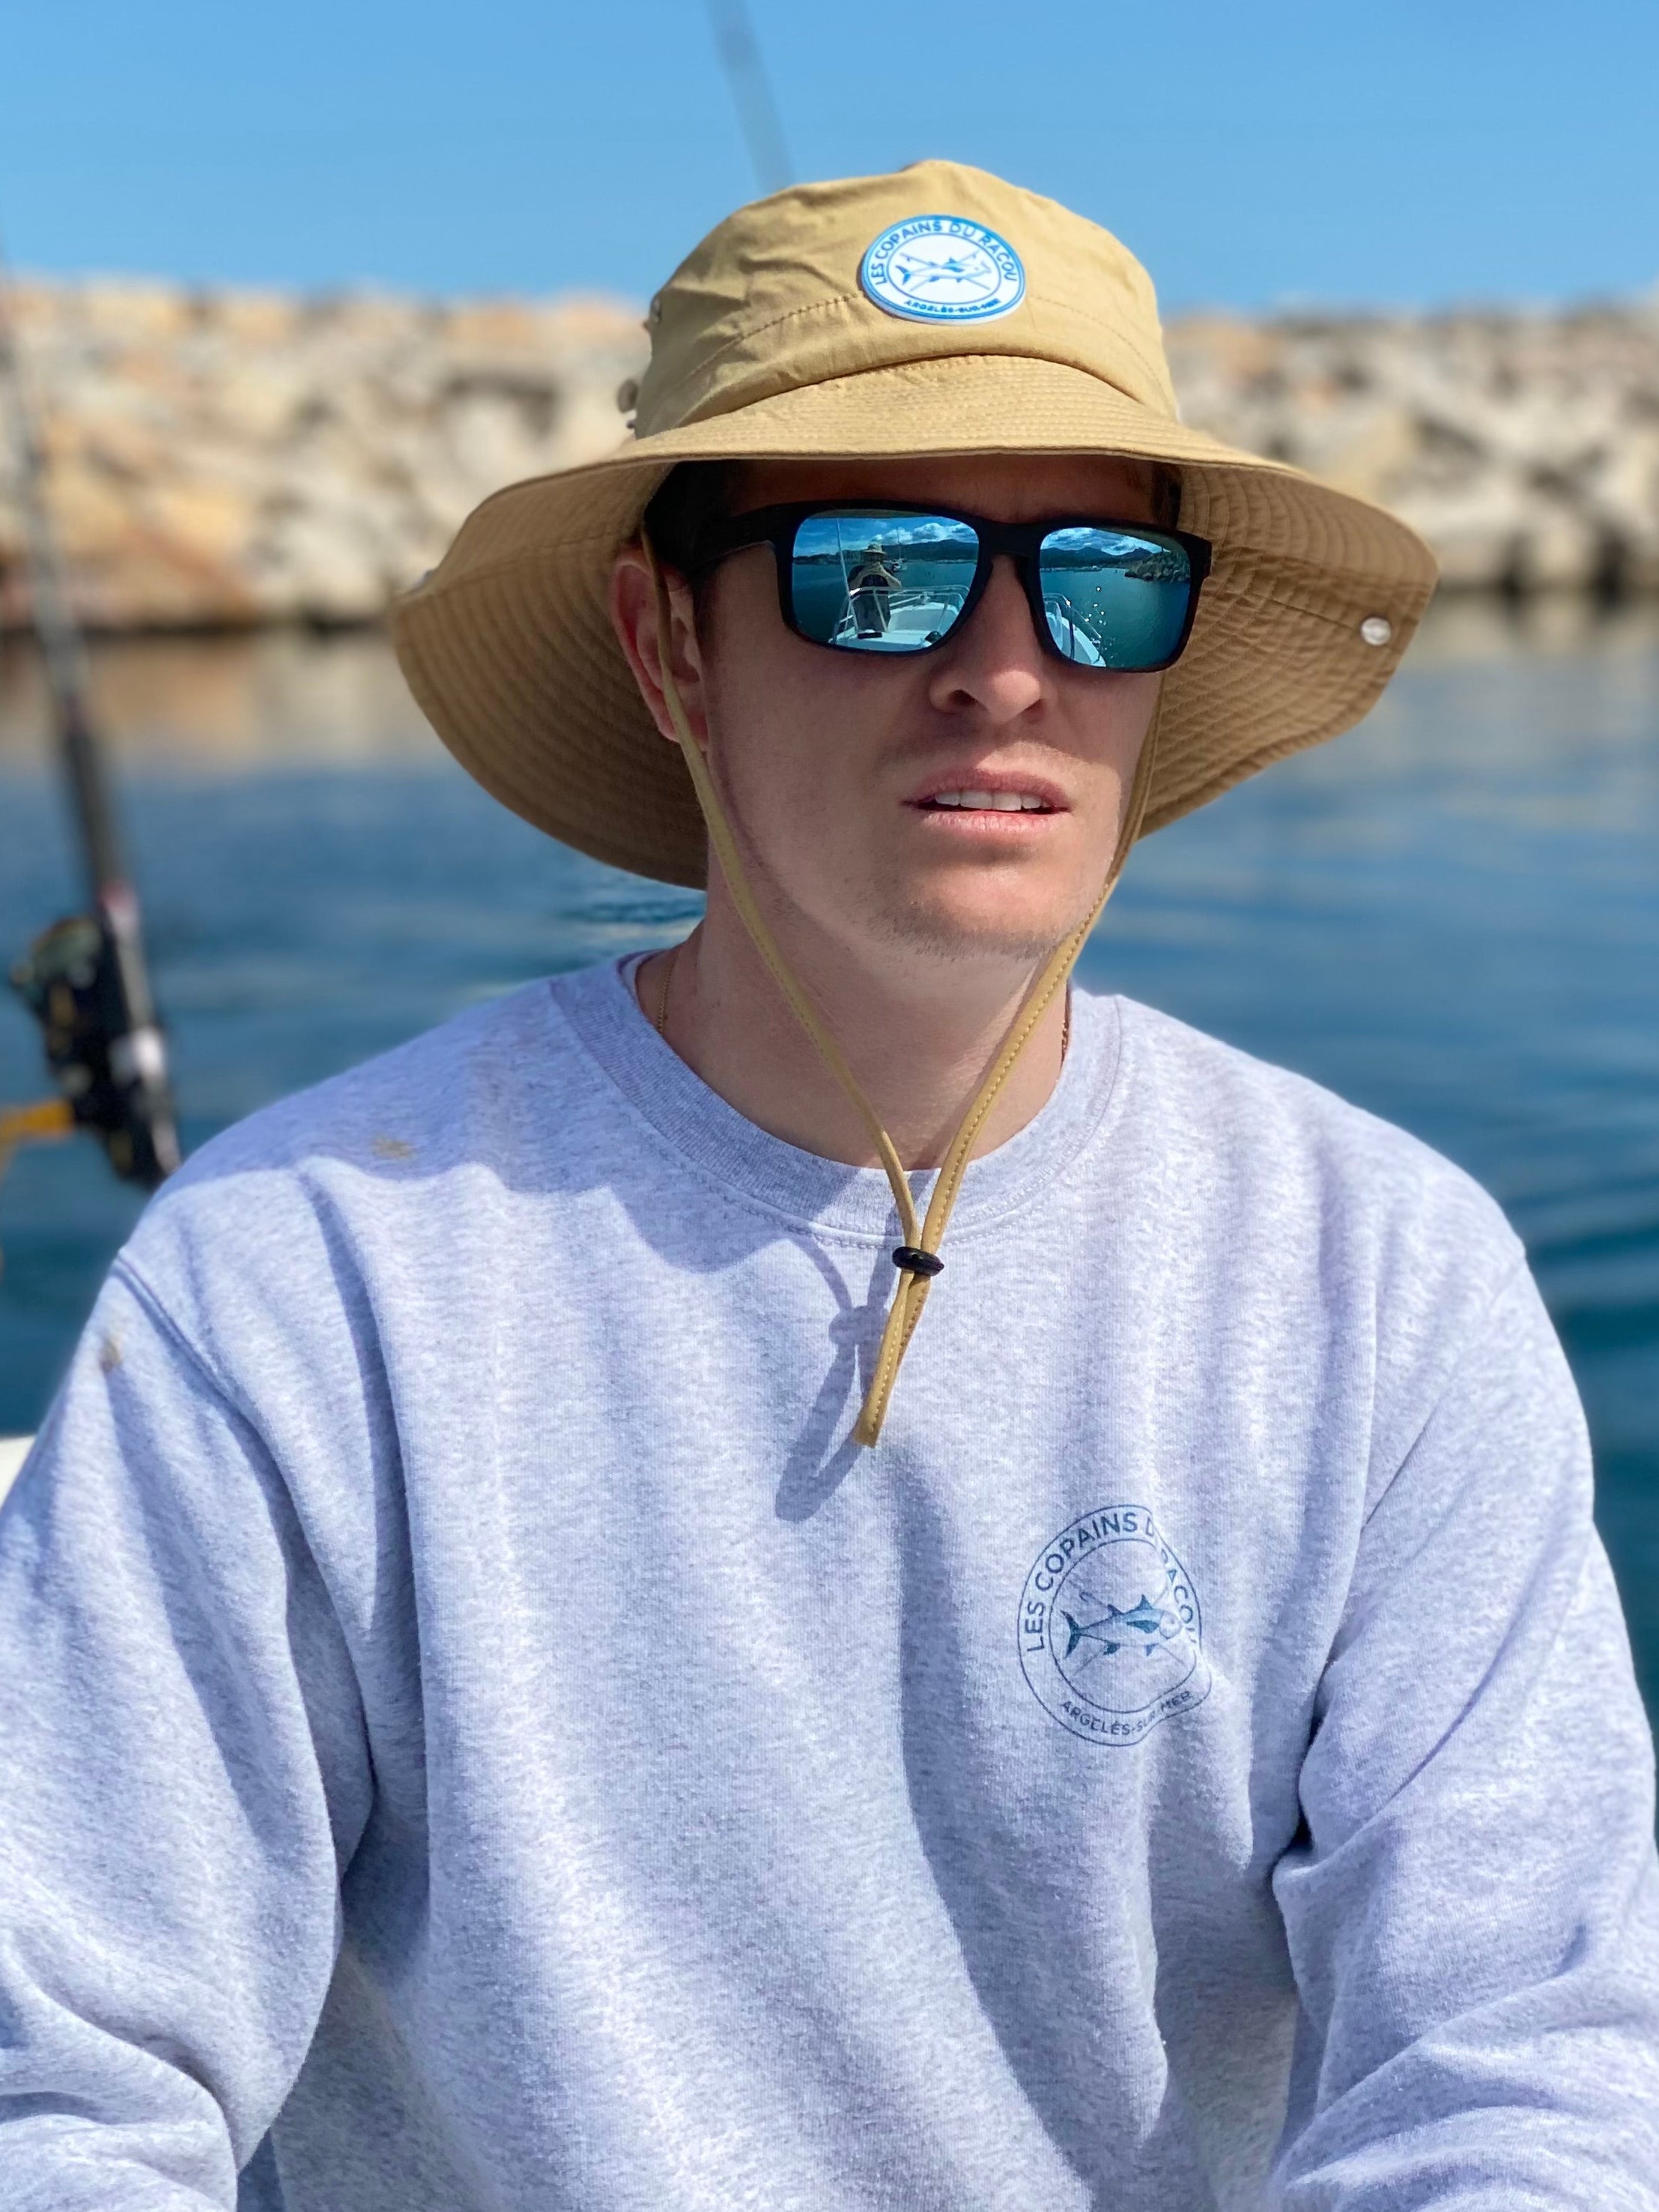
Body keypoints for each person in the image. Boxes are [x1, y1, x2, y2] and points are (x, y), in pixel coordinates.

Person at [1, 159, 1656, 2211]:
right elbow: (62, 2084)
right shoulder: (289, 1284)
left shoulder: (1389, 1282)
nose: (1007, 665)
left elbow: (1518, 2077)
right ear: (667, 643)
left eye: (1102, 582)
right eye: (876, 571)